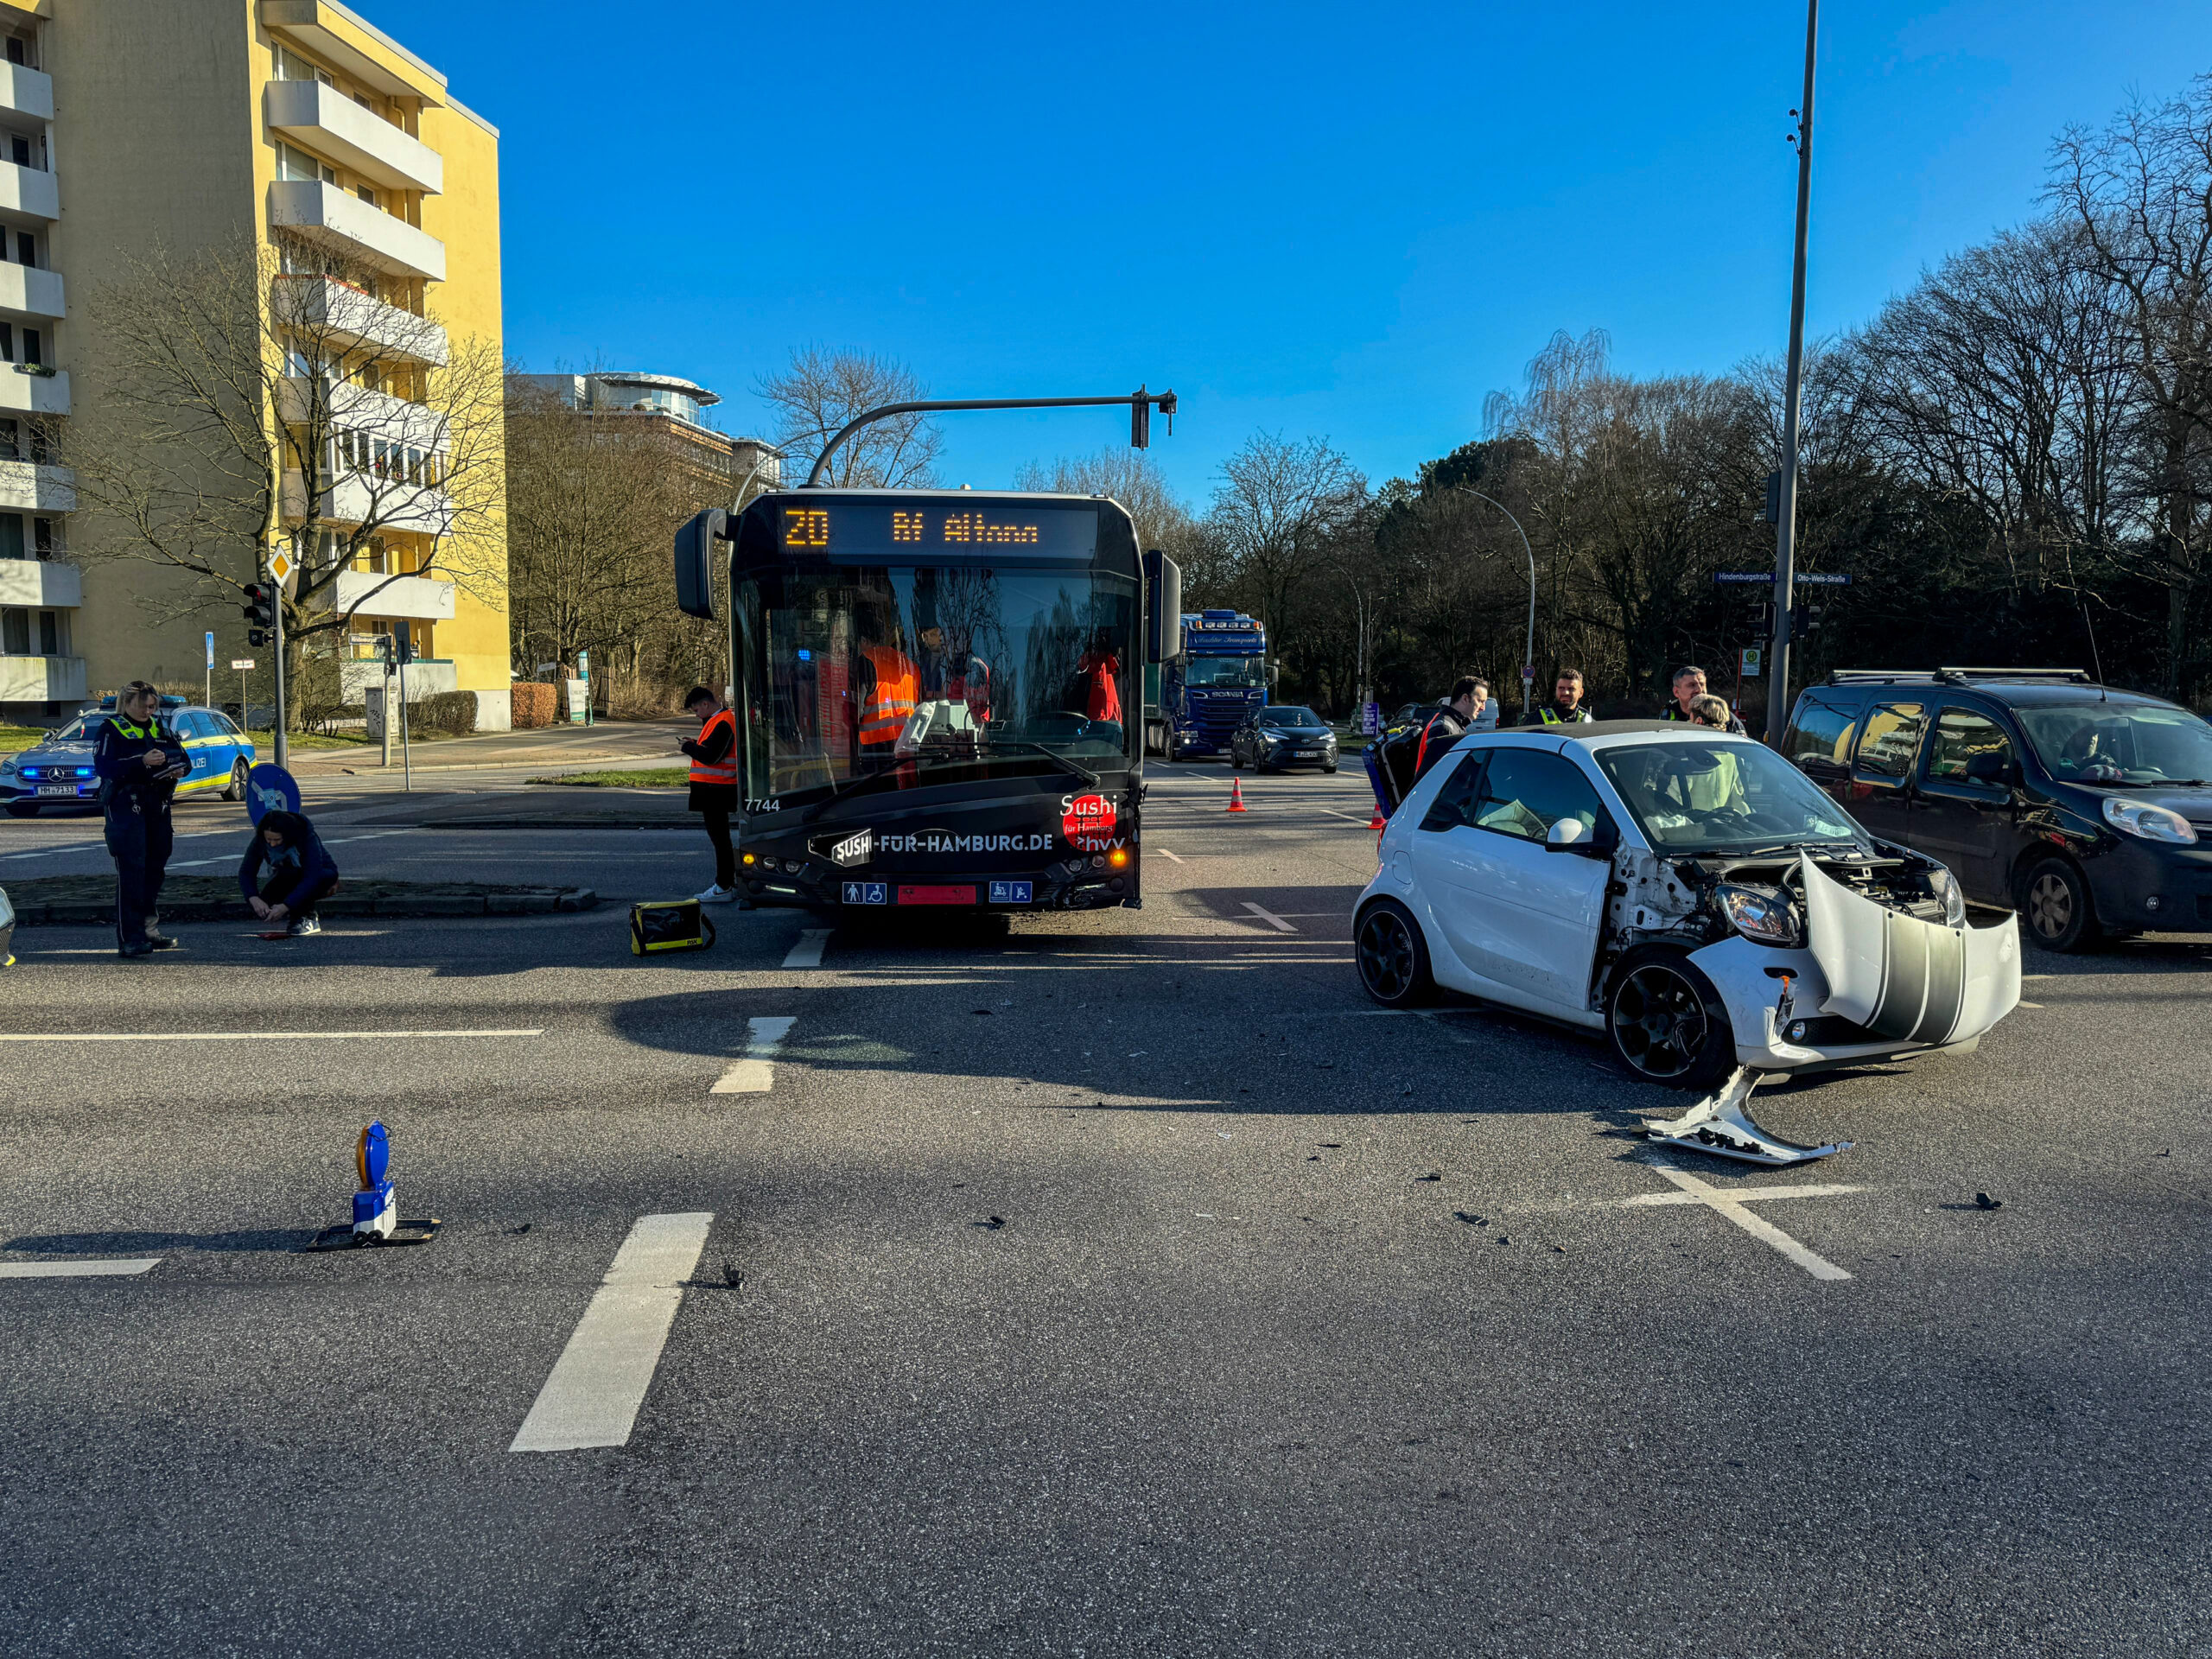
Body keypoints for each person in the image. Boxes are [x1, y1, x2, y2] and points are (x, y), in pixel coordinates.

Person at [94, 680, 187, 957]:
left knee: (155, 870)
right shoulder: (111, 728)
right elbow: (103, 766)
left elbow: (182, 756)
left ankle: (149, 930)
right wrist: (142, 761)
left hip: (157, 805)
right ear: (129, 703)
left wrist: (177, 768)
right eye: (145, 705)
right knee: (132, 872)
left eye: (153, 706)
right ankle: (130, 938)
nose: (150, 710)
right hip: (126, 806)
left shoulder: (160, 727)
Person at [679, 685, 740, 904]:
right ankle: (727, 883)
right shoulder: (719, 720)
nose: (696, 715)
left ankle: (724, 886)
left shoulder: (723, 722)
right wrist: (694, 744)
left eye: (696, 710)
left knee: (720, 840)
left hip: (717, 790)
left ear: (706, 704)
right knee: (721, 839)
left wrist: (688, 747)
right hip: (716, 789)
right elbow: (714, 752)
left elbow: (712, 757)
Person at [239, 810, 340, 936]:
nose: (272, 844)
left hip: (322, 876)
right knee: (265, 904)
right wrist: (253, 897)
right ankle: (294, 912)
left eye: (277, 840)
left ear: (287, 835)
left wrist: (286, 906)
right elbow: (246, 871)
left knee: (295, 878)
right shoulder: (260, 841)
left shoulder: (306, 837)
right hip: (286, 876)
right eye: (268, 839)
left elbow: (312, 876)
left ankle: (306, 917)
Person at [1414, 676, 1487, 780]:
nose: (1483, 708)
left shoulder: (1450, 722)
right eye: (1480, 701)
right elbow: (1439, 777)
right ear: (1465, 698)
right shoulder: (1444, 728)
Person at [1662, 664, 1746, 734]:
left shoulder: (1723, 716)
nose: (1700, 690)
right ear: (1676, 692)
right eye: (1692, 685)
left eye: (1702, 684)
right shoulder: (1667, 713)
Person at [1524, 668, 1594, 726]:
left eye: (1571, 689)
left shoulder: (1587, 720)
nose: (1565, 693)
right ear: (1556, 690)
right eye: (1561, 688)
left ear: (1581, 693)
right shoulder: (1537, 717)